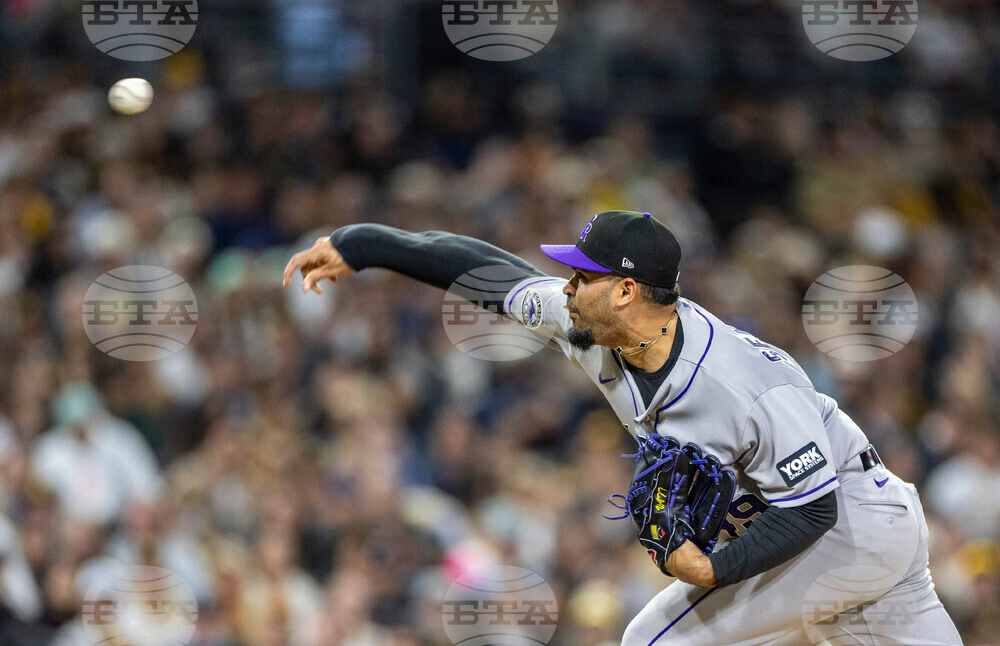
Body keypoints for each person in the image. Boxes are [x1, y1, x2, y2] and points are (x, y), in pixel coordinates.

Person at [283, 211, 961, 645]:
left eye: (582, 275)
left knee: (651, 641)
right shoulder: (588, 327)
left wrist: (716, 567)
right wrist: (363, 244)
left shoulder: (737, 381)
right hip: (872, 536)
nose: (566, 285)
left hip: (846, 526)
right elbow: (485, 272)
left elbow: (813, 506)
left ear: (628, 291)